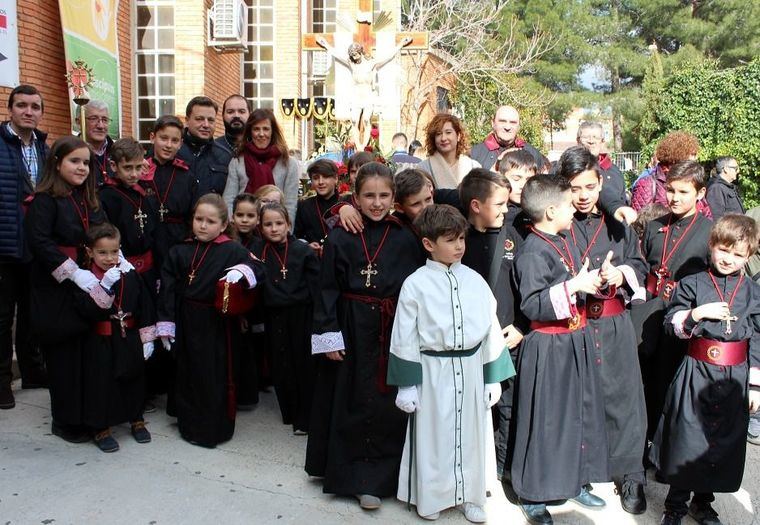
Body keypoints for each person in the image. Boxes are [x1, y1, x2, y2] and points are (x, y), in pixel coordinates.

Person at [305, 162, 424, 510]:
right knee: (352, 398)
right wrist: (329, 335)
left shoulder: (406, 236)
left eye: (384, 195)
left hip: (392, 328)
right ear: (355, 197)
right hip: (350, 324)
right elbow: (326, 287)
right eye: (368, 196)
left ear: (394, 198)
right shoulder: (341, 234)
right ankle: (354, 478)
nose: (376, 203)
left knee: (387, 403)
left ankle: (384, 478)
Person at [387, 204, 514, 522]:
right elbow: (405, 334)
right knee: (434, 439)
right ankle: (431, 498)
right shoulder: (415, 284)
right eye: (450, 240)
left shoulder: (475, 281)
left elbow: (490, 328)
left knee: (473, 438)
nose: (459, 246)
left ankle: (473, 496)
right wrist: (406, 384)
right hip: (432, 372)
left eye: (461, 239)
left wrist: (492, 376)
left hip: (471, 369)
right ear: (429, 244)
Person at [510, 174, 609, 525]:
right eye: (569, 204)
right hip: (548, 345)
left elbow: (574, 281)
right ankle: (534, 493)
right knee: (547, 420)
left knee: (580, 413)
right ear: (551, 211)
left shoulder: (562, 239)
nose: (576, 208)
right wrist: (574, 285)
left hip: (574, 340)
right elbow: (534, 303)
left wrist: (594, 280)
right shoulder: (533, 251)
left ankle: (575, 480)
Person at [557, 146, 649, 514]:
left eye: (590, 187)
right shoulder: (556, 222)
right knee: (578, 398)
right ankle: (580, 471)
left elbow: (639, 267)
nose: (582, 196)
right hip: (574, 324)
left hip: (613, 323)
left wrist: (619, 274)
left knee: (623, 399)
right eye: (575, 187)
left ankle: (631, 473)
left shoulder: (617, 224)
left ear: (600, 184)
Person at [652, 215, 760, 525]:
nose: (729, 259)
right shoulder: (693, 283)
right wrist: (696, 314)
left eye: (738, 255)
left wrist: (755, 383)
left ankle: (703, 502)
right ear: (712, 245)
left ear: (749, 256)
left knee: (721, 442)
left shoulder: (752, 292)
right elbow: (670, 325)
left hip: (735, 377)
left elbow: (758, 337)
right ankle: (675, 505)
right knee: (689, 439)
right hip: (697, 373)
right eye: (724, 250)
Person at [157, 193, 264, 448]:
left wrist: (242, 271)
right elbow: (167, 289)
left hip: (216, 324)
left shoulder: (232, 249)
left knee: (213, 374)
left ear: (224, 224)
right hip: (186, 318)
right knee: (187, 371)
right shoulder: (179, 250)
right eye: (198, 219)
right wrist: (166, 323)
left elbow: (260, 270)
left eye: (210, 221)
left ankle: (212, 429)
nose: (203, 226)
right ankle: (188, 424)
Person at [25, 136, 109, 442]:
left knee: (85, 355)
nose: (82, 168)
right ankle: (65, 421)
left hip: (86, 282)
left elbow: (101, 231)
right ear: (57, 163)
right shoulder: (45, 200)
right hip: (56, 287)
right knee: (64, 359)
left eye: (86, 162)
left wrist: (116, 259)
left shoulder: (88, 198)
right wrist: (72, 273)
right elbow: (40, 243)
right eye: (74, 161)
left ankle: (87, 415)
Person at [635, 160, 712, 439]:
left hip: (682, 319)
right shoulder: (655, 225)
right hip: (648, 313)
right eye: (670, 191)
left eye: (683, 192)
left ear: (700, 193)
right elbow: (642, 265)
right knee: (644, 383)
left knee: (671, 385)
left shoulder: (708, 232)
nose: (674, 198)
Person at [458, 168, 525, 484]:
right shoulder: (456, 238)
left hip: (505, 338)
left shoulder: (514, 237)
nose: (506, 210)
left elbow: (528, 287)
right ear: (475, 205)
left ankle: (502, 467)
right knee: (465, 405)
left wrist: (522, 326)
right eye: (499, 204)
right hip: (465, 342)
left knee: (507, 405)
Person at [78, 223, 156, 452]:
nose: (109, 258)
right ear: (90, 252)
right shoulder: (86, 278)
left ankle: (136, 418)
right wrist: (105, 286)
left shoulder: (129, 274)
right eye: (102, 252)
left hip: (129, 335)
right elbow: (86, 310)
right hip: (101, 339)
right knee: (102, 382)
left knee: (133, 377)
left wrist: (147, 337)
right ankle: (101, 426)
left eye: (114, 251)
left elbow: (144, 305)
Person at [250, 203, 320, 434]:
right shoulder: (257, 250)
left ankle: (306, 417)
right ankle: (289, 412)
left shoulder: (302, 251)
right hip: (274, 315)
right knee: (281, 364)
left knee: (303, 365)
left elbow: (315, 286)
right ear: (260, 227)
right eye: (268, 224)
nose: (274, 229)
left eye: (279, 223)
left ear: (288, 225)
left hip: (301, 314)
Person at [0, 84, 49, 408]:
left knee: (33, 314)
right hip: (4, 246)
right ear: (11, 109)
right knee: (3, 318)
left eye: (34, 106)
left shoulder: (45, 147)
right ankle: (2, 382)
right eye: (22, 105)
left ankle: (32, 370)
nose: (28, 111)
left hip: (35, 246)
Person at [316, 36, 412, 146]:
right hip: (356, 96)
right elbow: (337, 55)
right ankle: (358, 146)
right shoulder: (351, 64)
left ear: (360, 52)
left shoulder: (370, 63)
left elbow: (387, 56)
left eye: (356, 54)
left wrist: (400, 44)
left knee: (366, 119)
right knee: (354, 121)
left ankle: (364, 145)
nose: (355, 57)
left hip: (368, 96)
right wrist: (326, 45)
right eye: (352, 55)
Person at [139, 115, 194, 279]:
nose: (168, 145)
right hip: (147, 240)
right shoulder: (139, 169)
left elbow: (192, 212)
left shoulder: (186, 174)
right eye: (163, 138)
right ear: (152, 137)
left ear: (181, 144)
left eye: (175, 140)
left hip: (177, 241)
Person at [223, 108, 300, 221]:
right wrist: (232, 229)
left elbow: (290, 204)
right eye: (256, 129)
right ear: (250, 132)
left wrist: (286, 232)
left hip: (275, 228)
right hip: (243, 226)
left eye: (266, 129)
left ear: (272, 132)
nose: (261, 134)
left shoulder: (288, 163)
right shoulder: (237, 162)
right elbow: (228, 200)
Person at [100, 138, 158, 281]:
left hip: (148, 268)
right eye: (127, 168)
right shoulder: (106, 196)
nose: (134, 174)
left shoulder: (144, 192)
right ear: (114, 166)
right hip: (121, 267)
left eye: (138, 168)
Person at [230, 193, 264, 408]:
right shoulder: (228, 242)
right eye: (240, 215)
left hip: (255, 304)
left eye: (250, 215)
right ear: (232, 216)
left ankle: (250, 393)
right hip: (233, 305)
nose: (244, 220)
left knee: (252, 349)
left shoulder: (260, 243)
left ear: (257, 219)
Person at [630, 132, 707, 216]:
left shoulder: (692, 180)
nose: (695, 158)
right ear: (676, 157)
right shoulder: (647, 184)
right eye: (692, 154)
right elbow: (640, 222)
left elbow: (706, 214)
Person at [176, 96, 232, 201]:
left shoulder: (225, 156)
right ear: (187, 121)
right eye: (199, 119)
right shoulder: (174, 150)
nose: (206, 125)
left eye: (211, 120)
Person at [470, 106, 544, 170]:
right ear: (493, 123)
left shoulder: (533, 154)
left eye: (513, 122)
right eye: (502, 121)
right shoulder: (475, 154)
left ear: (519, 126)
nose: (507, 127)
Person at [418, 114, 481, 189]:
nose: (443, 138)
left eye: (448, 132)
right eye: (438, 134)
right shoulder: (423, 168)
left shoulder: (473, 166)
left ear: (458, 136)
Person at [576, 121, 628, 212]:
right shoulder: (567, 169)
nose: (591, 141)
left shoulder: (614, 172)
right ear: (578, 141)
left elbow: (622, 202)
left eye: (596, 137)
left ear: (602, 142)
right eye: (586, 137)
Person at [294, 159, 339, 254]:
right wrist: (307, 246)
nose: (320, 182)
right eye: (316, 178)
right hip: (314, 261)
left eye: (325, 177)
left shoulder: (345, 203)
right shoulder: (304, 206)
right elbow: (296, 237)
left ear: (336, 179)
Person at [498, 149, 537, 237]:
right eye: (516, 179)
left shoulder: (538, 212)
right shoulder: (494, 213)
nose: (522, 185)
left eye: (528, 180)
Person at [77, 99, 114, 187]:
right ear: (79, 122)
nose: (100, 126)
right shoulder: (69, 153)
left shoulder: (118, 152)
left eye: (105, 120)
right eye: (93, 119)